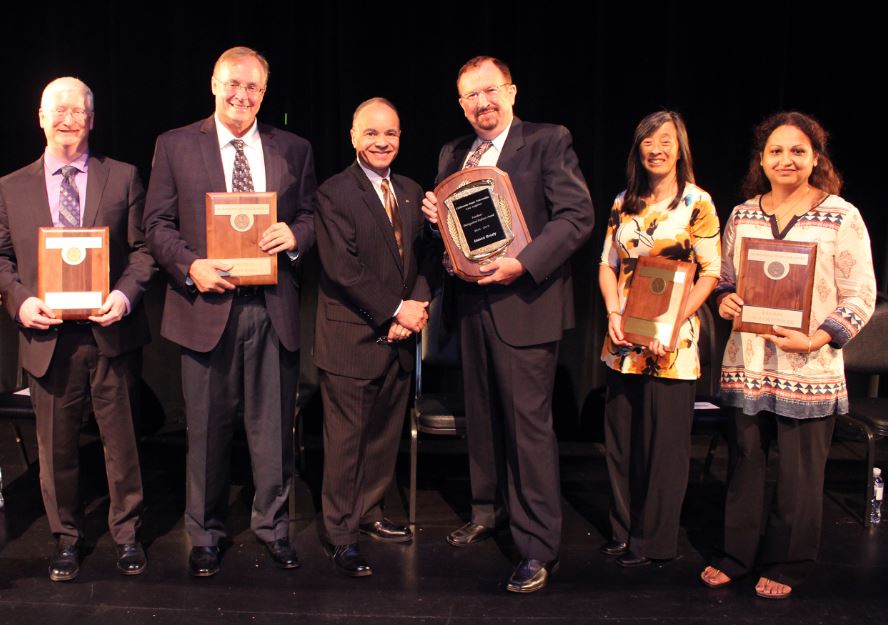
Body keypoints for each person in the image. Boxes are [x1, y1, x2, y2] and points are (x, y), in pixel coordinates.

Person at [421, 56, 594, 593]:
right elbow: (456, 232)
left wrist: (525, 262)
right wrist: (438, 224)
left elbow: (577, 216)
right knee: (482, 416)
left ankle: (538, 545)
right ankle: (486, 508)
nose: (482, 103)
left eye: (490, 91)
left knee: (527, 427)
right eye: (471, 96)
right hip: (471, 305)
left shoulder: (546, 140)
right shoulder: (453, 152)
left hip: (525, 303)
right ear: (460, 104)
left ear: (512, 92)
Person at [142, 46, 316, 577]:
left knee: (272, 432)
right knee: (207, 430)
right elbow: (156, 225)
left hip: (271, 306)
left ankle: (273, 526)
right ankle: (207, 531)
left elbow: (311, 216)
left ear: (264, 93)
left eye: (253, 88)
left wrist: (296, 236)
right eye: (233, 85)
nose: (242, 96)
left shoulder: (295, 148)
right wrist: (190, 266)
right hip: (205, 306)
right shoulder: (174, 145)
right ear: (214, 84)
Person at [700, 112, 876, 599]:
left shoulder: (841, 215)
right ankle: (736, 555)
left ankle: (789, 562)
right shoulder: (743, 214)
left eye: (798, 151)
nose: (786, 160)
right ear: (762, 158)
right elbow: (727, 279)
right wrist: (725, 299)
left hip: (808, 365)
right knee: (746, 463)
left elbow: (860, 293)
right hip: (750, 362)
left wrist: (819, 337)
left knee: (800, 475)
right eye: (776, 150)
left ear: (815, 158)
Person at [0, 77, 155, 580]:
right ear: (40, 117)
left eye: (78, 111)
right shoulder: (10, 186)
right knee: (56, 447)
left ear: (91, 119)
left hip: (110, 333)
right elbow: (1, 259)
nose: (68, 119)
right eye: (58, 110)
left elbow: (144, 252)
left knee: (123, 443)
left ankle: (127, 534)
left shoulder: (124, 177)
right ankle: (65, 537)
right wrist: (19, 302)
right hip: (47, 339)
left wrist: (125, 295)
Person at [314, 97, 433, 577]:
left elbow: (425, 257)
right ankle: (342, 535)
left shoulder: (410, 190)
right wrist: (394, 310)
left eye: (391, 134)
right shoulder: (334, 192)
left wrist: (417, 307)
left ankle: (370, 513)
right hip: (352, 340)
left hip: (401, 337)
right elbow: (344, 269)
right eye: (371, 133)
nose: (382, 142)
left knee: (384, 437)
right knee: (346, 443)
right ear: (353, 136)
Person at [598, 111, 721, 567]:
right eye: (649, 140)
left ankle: (653, 540)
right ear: (639, 149)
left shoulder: (697, 203)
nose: (657, 148)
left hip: (671, 345)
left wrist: (670, 322)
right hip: (623, 340)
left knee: (664, 447)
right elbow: (607, 264)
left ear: (680, 148)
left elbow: (712, 273)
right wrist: (612, 310)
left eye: (666, 140)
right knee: (622, 441)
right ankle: (623, 529)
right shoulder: (623, 202)